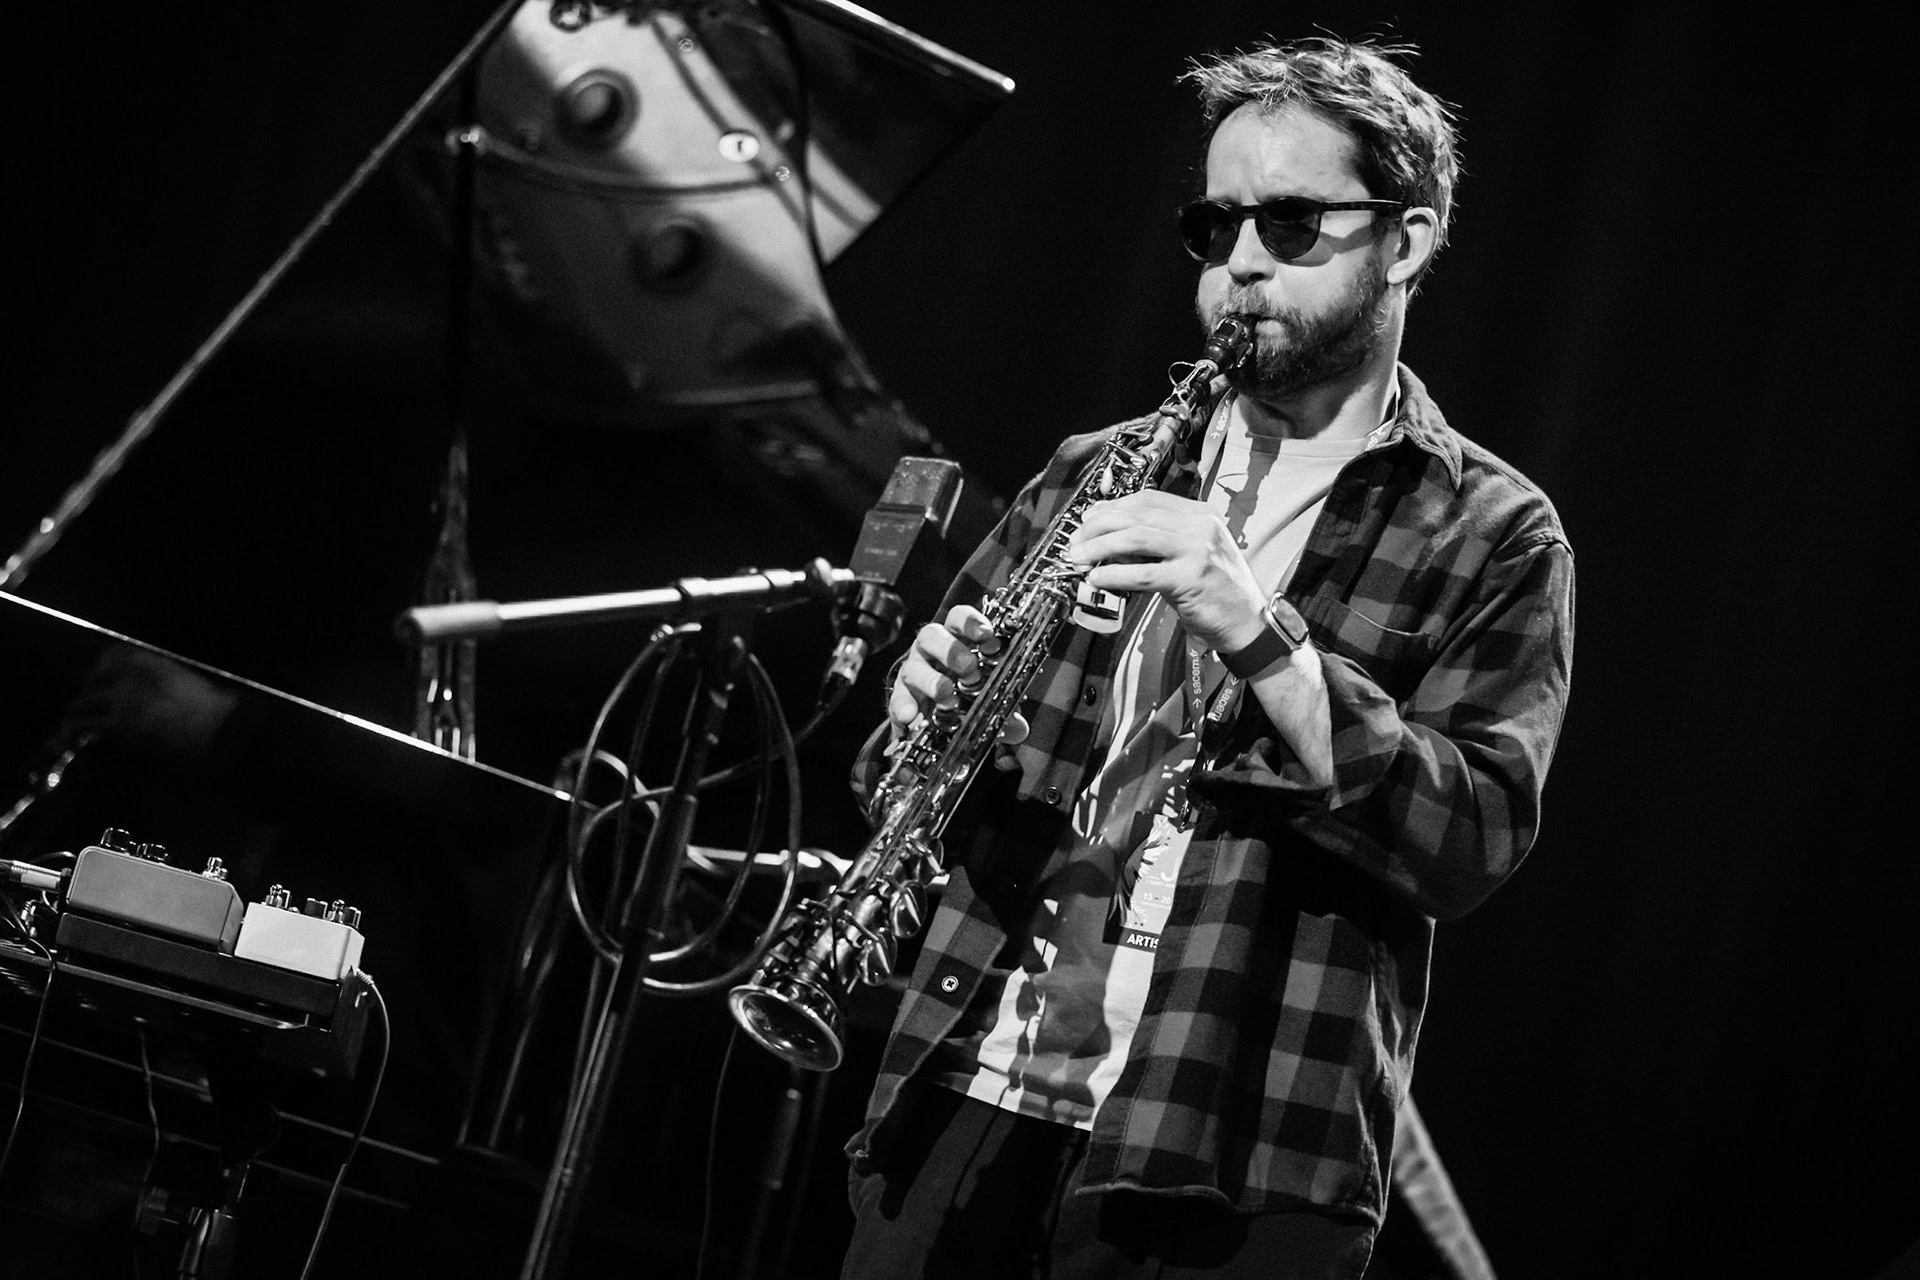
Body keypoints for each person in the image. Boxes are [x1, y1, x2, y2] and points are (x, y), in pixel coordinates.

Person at [837, 36, 1574, 1280]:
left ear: (1407, 239)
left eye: (1292, 223)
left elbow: (1473, 839)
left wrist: (1261, 630)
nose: (1240, 262)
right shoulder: (1095, 468)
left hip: (1232, 1148)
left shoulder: (1493, 529)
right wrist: (917, 723)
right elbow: (898, 787)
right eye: (1217, 223)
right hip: (965, 1087)